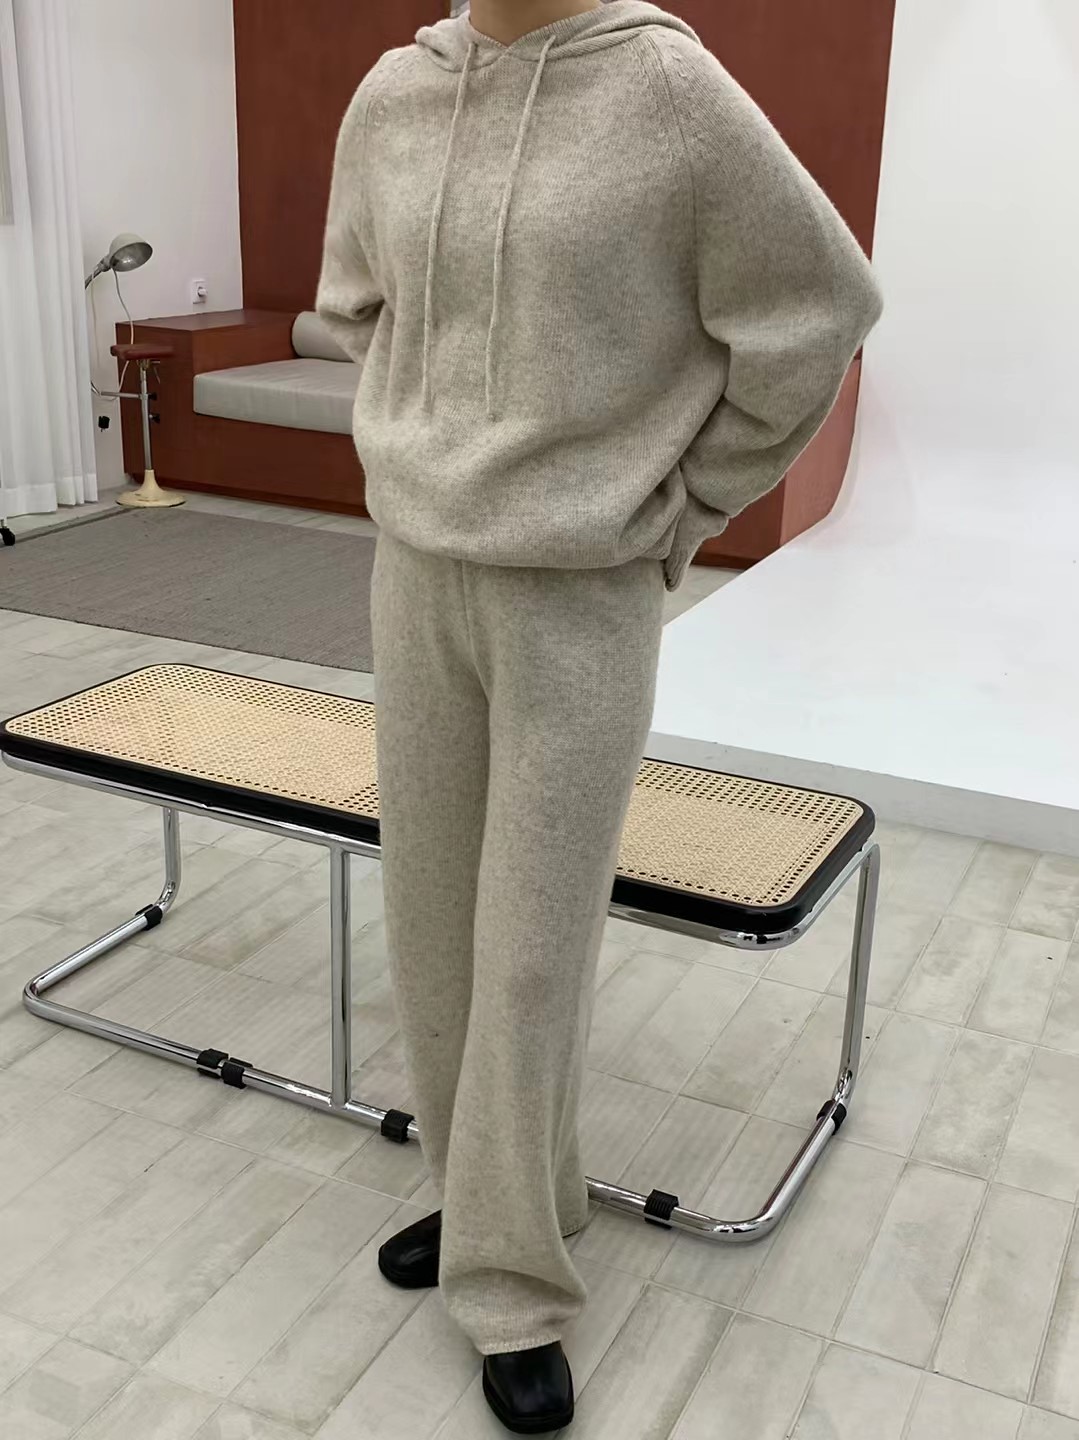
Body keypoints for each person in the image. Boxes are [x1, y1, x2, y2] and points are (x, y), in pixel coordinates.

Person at [316, 0, 883, 1430]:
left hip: (578, 594)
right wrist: (413, 433)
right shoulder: (393, 95)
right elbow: (356, 301)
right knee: (433, 920)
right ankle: (486, 1195)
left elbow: (819, 308)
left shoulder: (666, 88)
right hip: (414, 573)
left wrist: (685, 504)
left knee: (531, 948)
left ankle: (513, 1284)